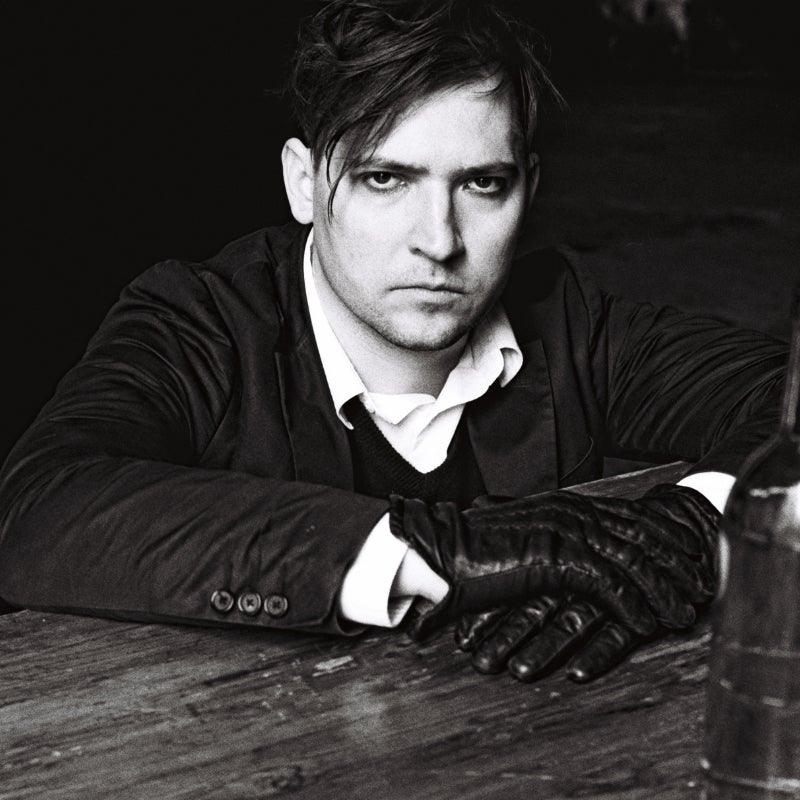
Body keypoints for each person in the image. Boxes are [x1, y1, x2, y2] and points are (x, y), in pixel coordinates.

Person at [0, 0, 787, 684]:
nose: (439, 241)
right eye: (387, 179)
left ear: (529, 189)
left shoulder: (568, 323)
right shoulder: (201, 324)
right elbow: (37, 510)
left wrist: (698, 523)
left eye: (482, 184)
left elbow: (786, 398)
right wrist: (438, 549)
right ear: (304, 182)